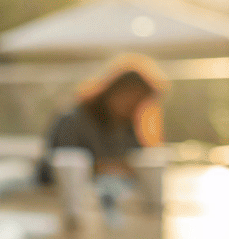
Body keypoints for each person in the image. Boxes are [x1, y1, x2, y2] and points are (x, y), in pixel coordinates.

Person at [37, 54, 168, 183]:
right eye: (130, 97)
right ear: (113, 89)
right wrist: (98, 168)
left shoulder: (126, 126)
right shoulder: (72, 119)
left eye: (139, 102)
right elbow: (52, 168)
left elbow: (137, 160)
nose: (132, 106)